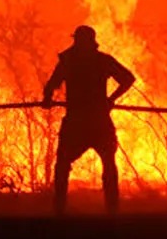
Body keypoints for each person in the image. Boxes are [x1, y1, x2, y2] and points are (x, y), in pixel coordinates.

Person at [41, 25, 136, 215]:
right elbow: (127, 78)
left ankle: (60, 210)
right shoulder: (101, 61)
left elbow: (51, 84)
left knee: (63, 165)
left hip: (78, 121)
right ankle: (111, 210)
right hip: (96, 121)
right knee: (107, 164)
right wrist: (111, 99)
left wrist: (47, 99)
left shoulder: (70, 61)